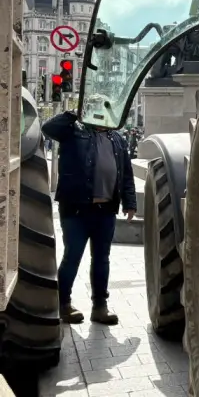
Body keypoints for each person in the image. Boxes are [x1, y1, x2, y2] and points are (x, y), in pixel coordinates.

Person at [41, 111, 137, 325]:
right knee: (72, 256)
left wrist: (130, 203)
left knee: (102, 259)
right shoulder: (74, 132)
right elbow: (48, 128)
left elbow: (126, 174)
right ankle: (63, 304)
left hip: (106, 210)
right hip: (76, 209)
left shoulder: (117, 139)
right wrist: (74, 113)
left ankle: (100, 307)